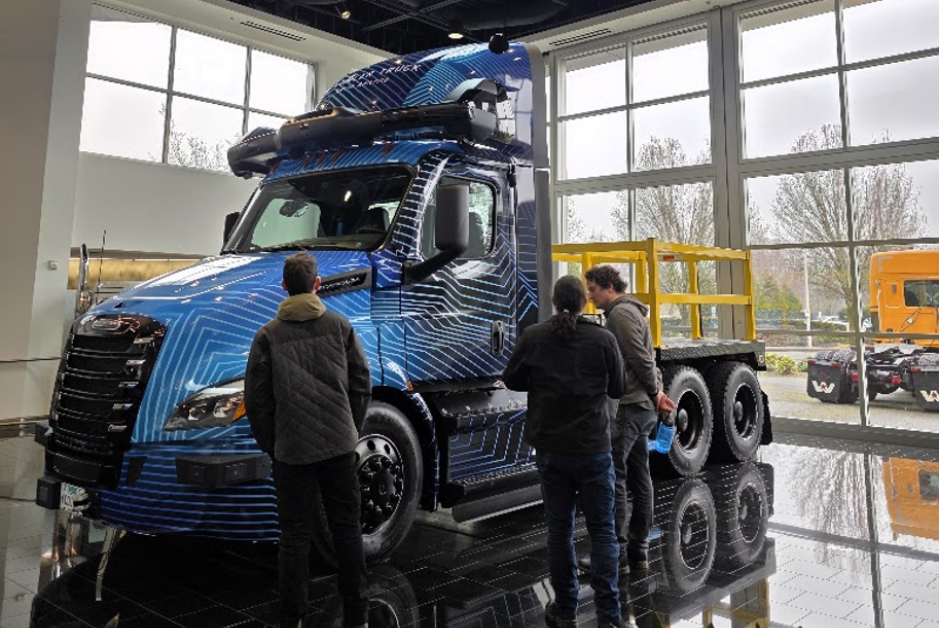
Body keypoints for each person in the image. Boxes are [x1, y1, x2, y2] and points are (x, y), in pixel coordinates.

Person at [245, 252, 372, 628]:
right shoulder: (340, 326)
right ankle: (357, 607)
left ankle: (293, 614)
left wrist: (275, 442)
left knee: (294, 536)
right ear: (317, 285)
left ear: (284, 286)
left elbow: (257, 401)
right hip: (338, 446)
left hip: (292, 450)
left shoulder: (267, 335)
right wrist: (350, 427)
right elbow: (361, 383)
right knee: (347, 527)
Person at [503, 275, 628, 628]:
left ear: (554, 300)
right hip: (593, 449)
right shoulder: (603, 339)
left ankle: (565, 606)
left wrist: (541, 381)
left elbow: (512, 379)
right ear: (584, 302)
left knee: (559, 531)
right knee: (602, 531)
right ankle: (609, 615)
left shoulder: (534, 336)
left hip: (551, 449)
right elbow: (618, 387)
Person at [584, 265, 676, 574]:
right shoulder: (630, 312)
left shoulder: (620, 315)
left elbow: (639, 357)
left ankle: (618, 555)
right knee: (640, 475)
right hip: (640, 406)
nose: (590, 296)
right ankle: (639, 552)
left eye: (594, 289)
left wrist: (655, 393)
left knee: (617, 478)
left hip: (630, 406)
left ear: (610, 286)